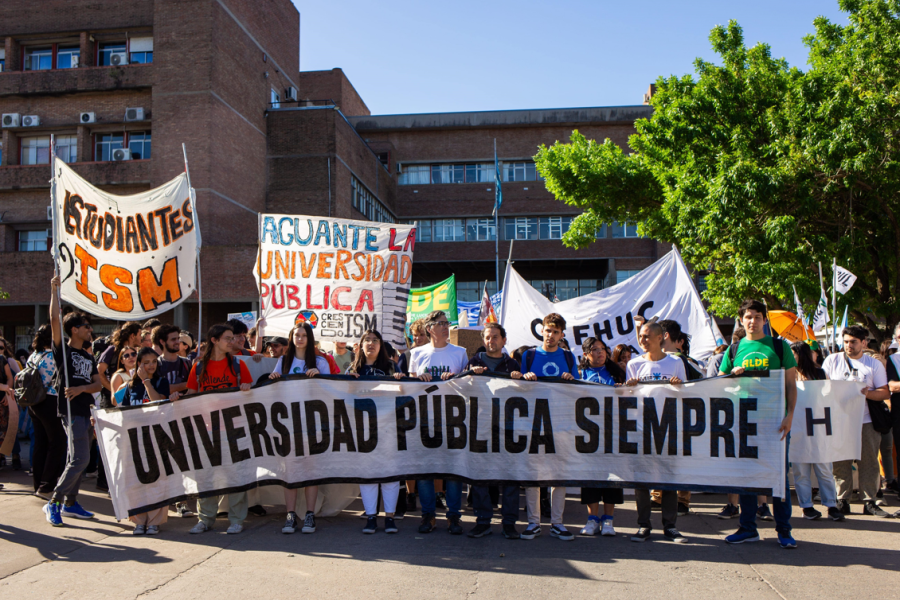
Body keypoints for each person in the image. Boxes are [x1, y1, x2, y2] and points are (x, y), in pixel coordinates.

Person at [719, 299, 797, 548]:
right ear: (742, 320)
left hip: (775, 423)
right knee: (747, 477)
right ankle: (747, 528)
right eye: (748, 317)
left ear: (765, 319)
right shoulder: (733, 350)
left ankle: (784, 530)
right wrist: (733, 373)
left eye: (757, 316)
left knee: (779, 478)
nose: (753, 321)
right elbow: (720, 381)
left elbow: (790, 385)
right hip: (744, 422)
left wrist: (790, 415)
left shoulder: (779, 346)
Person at [43, 276, 103, 527]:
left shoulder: (88, 356)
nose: (91, 330)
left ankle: (71, 502)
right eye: (86, 326)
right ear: (74, 330)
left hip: (86, 409)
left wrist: (81, 389)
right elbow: (55, 320)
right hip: (70, 411)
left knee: (75, 459)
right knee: (81, 459)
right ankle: (54, 501)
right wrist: (54, 290)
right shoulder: (63, 352)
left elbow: (98, 384)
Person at [186, 323, 254, 535]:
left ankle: (236, 519)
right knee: (206, 477)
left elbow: (250, 395)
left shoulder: (238, 365)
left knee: (235, 475)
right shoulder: (198, 367)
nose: (232, 342)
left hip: (233, 429)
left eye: (233, 338)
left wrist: (246, 389)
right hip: (206, 430)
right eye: (228, 338)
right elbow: (190, 395)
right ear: (214, 340)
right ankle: (205, 519)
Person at [624, 321, 687, 543]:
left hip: (667, 427)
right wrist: (628, 387)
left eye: (647, 336)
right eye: (641, 336)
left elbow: (687, 395)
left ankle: (670, 526)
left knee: (668, 479)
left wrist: (679, 386)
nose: (642, 340)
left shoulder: (676, 362)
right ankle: (643, 525)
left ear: (661, 337)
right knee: (641, 481)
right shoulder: (633, 364)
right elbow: (628, 399)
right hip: (642, 428)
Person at [408, 310, 470, 535]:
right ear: (429, 328)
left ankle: (454, 516)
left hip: (454, 421)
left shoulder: (460, 352)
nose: (445, 327)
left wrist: (454, 380)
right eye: (440, 324)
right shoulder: (416, 353)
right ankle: (428, 515)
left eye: (447, 323)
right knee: (425, 472)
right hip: (425, 420)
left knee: (452, 471)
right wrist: (419, 380)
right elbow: (410, 388)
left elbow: (468, 385)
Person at [520, 313, 579, 542]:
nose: (551, 335)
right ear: (541, 331)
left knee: (559, 474)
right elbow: (518, 387)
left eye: (556, 332)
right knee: (534, 474)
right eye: (548, 330)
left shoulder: (568, 357)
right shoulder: (529, 355)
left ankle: (557, 523)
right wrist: (524, 378)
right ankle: (533, 523)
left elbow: (577, 387)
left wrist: (569, 379)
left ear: (561, 334)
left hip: (561, 422)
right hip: (533, 422)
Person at [269, 321, 333, 534]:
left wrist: (320, 378)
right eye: (296, 334)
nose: (300, 338)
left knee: (310, 470)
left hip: (312, 425)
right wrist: (274, 378)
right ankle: (289, 515)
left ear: (310, 338)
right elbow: (273, 390)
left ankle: (309, 514)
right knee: (290, 471)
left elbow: (331, 392)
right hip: (288, 424)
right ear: (291, 337)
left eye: (304, 335)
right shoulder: (283, 360)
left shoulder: (321, 362)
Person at [824, 325, 891, 517]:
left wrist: (867, 393)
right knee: (840, 460)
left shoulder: (873, 364)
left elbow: (885, 392)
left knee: (869, 460)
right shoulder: (832, 360)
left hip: (866, 420)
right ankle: (842, 500)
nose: (848, 345)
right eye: (845, 342)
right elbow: (822, 387)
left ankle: (869, 501)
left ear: (864, 342)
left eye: (853, 342)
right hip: (839, 420)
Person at [464, 323, 524, 540]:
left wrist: (520, 381)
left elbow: (525, 394)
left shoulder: (513, 364)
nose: (492, 341)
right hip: (481, 426)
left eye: (496, 337)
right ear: (483, 341)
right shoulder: (474, 362)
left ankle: (509, 523)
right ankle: (483, 522)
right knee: (480, 476)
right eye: (488, 337)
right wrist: (471, 375)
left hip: (508, 427)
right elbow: (463, 390)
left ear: (504, 340)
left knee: (509, 477)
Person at [347, 329, 404, 533]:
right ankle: (371, 516)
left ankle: (390, 517)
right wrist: (348, 384)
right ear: (360, 345)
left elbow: (404, 395)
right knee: (368, 474)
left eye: (375, 340)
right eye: (367, 340)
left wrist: (401, 382)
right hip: (363, 429)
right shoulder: (353, 368)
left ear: (381, 345)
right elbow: (340, 398)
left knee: (390, 473)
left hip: (389, 427)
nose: (371, 343)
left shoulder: (390, 367)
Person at [788, 341, 843, 522]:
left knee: (824, 469)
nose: (790, 357)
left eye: (792, 353)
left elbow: (829, 397)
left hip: (818, 428)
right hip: (797, 430)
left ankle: (831, 505)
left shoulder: (819, 374)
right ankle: (806, 506)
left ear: (799, 354)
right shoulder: (788, 375)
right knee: (801, 472)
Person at [577, 337, 625, 537]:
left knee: (612, 477)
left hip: (613, 433)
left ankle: (609, 520)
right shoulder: (580, 373)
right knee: (590, 477)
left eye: (603, 349)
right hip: (587, 434)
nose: (600, 353)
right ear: (586, 354)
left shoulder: (616, 373)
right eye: (595, 350)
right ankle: (592, 519)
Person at [24, 325, 66, 498]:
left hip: (34, 403)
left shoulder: (34, 355)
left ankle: (38, 485)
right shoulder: (53, 356)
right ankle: (47, 485)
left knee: (40, 444)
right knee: (57, 443)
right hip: (50, 400)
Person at [97, 321, 142, 408]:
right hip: (111, 401)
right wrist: (114, 390)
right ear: (133, 336)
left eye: (133, 355)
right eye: (140, 334)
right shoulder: (112, 350)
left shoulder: (139, 352)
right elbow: (99, 371)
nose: (141, 338)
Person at [154, 325, 191, 398]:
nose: (177, 342)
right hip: (163, 408)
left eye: (178, 338)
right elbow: (158, 389)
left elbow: (195, 387)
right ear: (162, 342)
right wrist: (188, 384)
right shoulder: (155, 364)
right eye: (173, 339)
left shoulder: (187, 363)